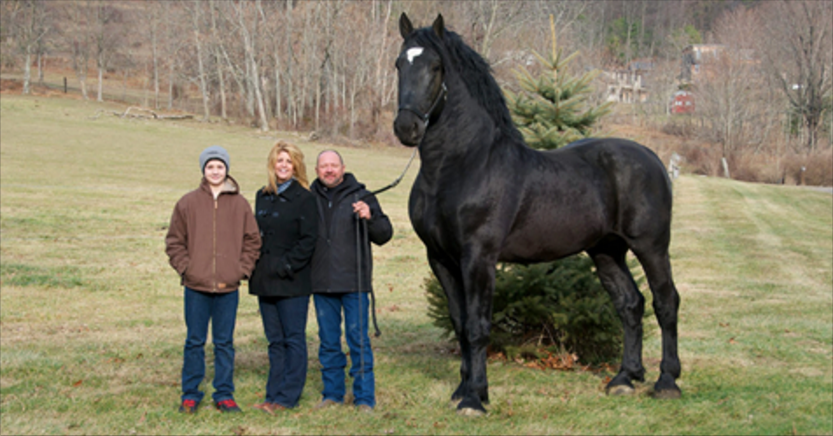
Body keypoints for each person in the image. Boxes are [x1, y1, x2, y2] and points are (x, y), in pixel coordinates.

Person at [165, 145, 261, 414]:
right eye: (210, 167)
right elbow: (174, 241)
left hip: (228, 287)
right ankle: (190, 393)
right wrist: (187, 269)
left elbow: (252, 240)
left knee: (224, 342)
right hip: (196, 286)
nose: (215, 171)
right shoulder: (187, 203)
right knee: (195, 340)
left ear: (226, 169)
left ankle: (224, 393)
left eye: (220, 166)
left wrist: (241, 270)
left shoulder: (240, 204)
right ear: (203, 170)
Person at [310, 150, 393, 413]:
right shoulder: (308, 198)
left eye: (334, 165)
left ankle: (364, 398)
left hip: (355, 283)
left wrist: (370, 217)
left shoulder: (363, 195)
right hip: (322, 283)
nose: (329, 170)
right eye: (324, 166)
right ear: (317, 170)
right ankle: (332, 393)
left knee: (358, 341)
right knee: (328, 342)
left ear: (343, 168)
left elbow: (384, 234)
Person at [249, 141, 318, 414]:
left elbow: (309, 239)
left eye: (289, 162)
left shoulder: (305, 198)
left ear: (296, 166)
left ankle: (288, 397)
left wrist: (287, 265)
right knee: (274, 341)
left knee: (293, 339)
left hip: (292, 281)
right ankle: (272, 394)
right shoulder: (262, 195)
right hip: (264, 280)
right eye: (279, 161)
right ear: (272, 164)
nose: (283, 166)